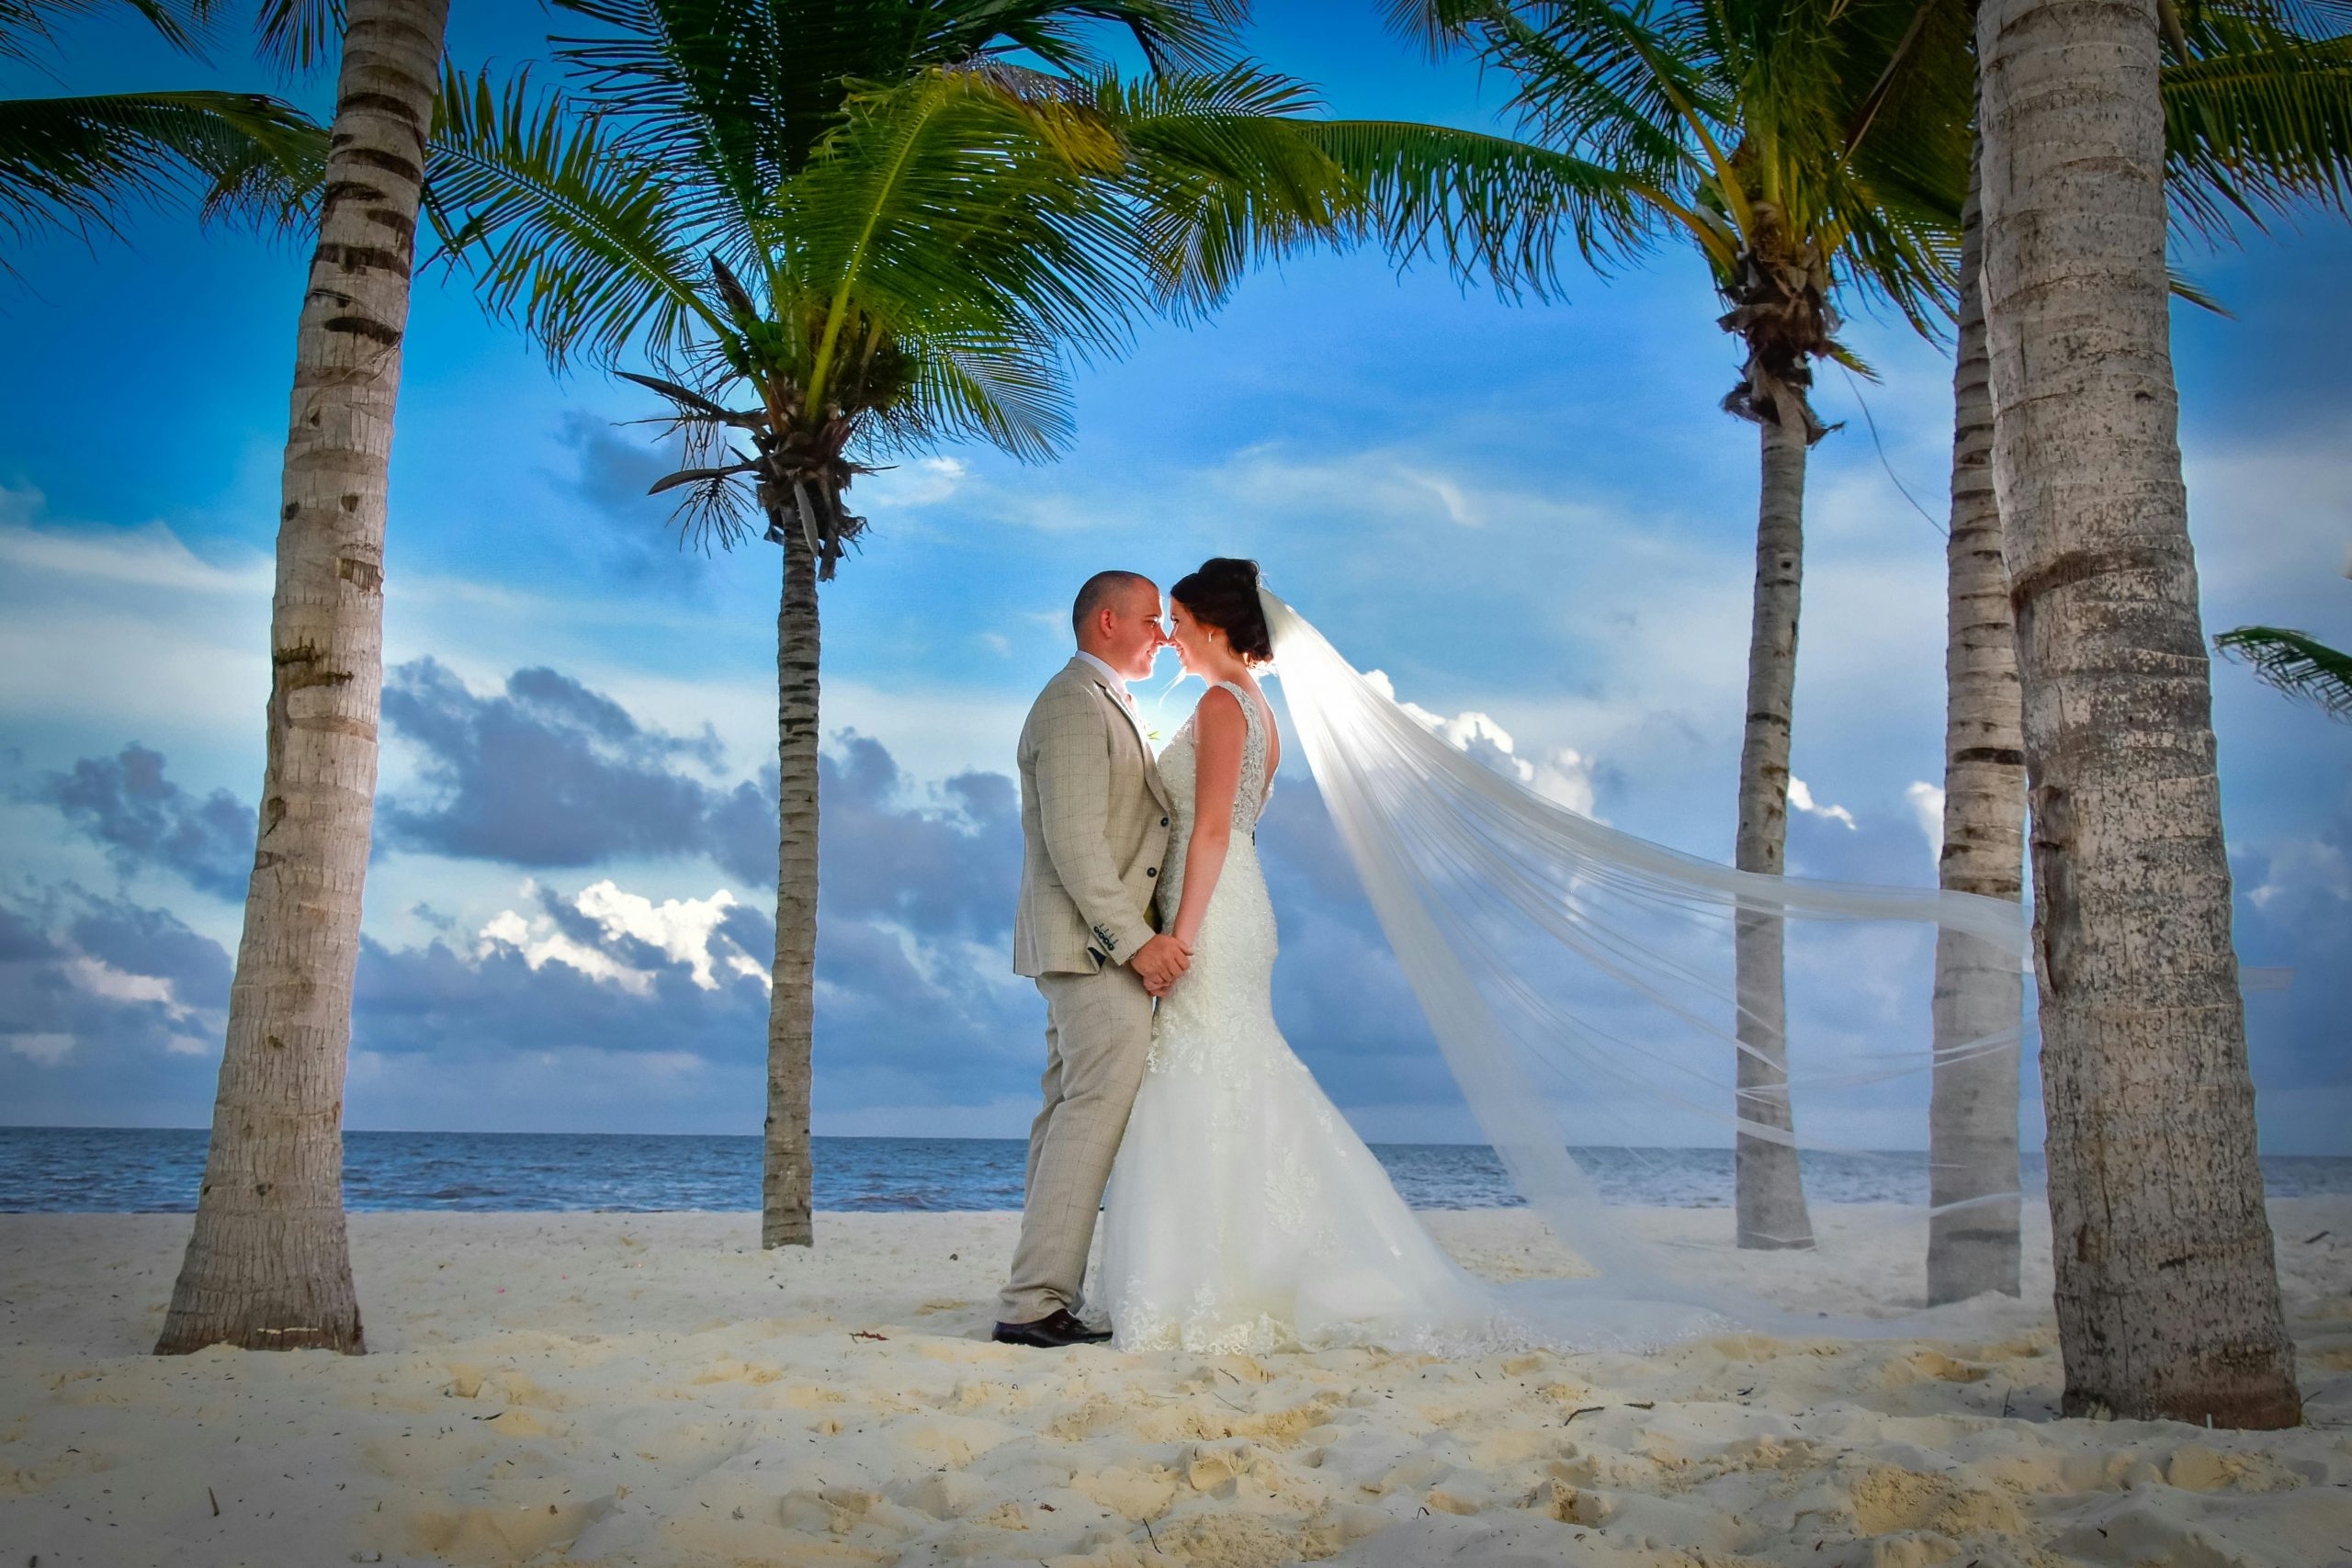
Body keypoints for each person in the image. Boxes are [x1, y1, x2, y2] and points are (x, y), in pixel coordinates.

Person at [1096, 558, 1541, 1354]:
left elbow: (1211, 830)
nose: (1174, 636)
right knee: (1233, 1071)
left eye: (1181, 622)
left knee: (1204, 1072)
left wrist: (1183, 937)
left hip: (1218, 909)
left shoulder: (1222, 703)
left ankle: (1214, 1282)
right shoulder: (1257, 706)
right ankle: (1229, 1267)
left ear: (1212, 623)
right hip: (1235, 899)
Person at [994, 570, 1191, 1349]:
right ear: (1107, 621)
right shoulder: (1075, 704)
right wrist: (1139, 945)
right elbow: (1075, 847)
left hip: (1087, 945)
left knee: (1063, 1113)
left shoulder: (1103, 699)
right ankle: (1035, 1301)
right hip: (1091, 949)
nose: (1164, 636)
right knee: (1091, 1115)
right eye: (1152, 620)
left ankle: (1033, 1291)